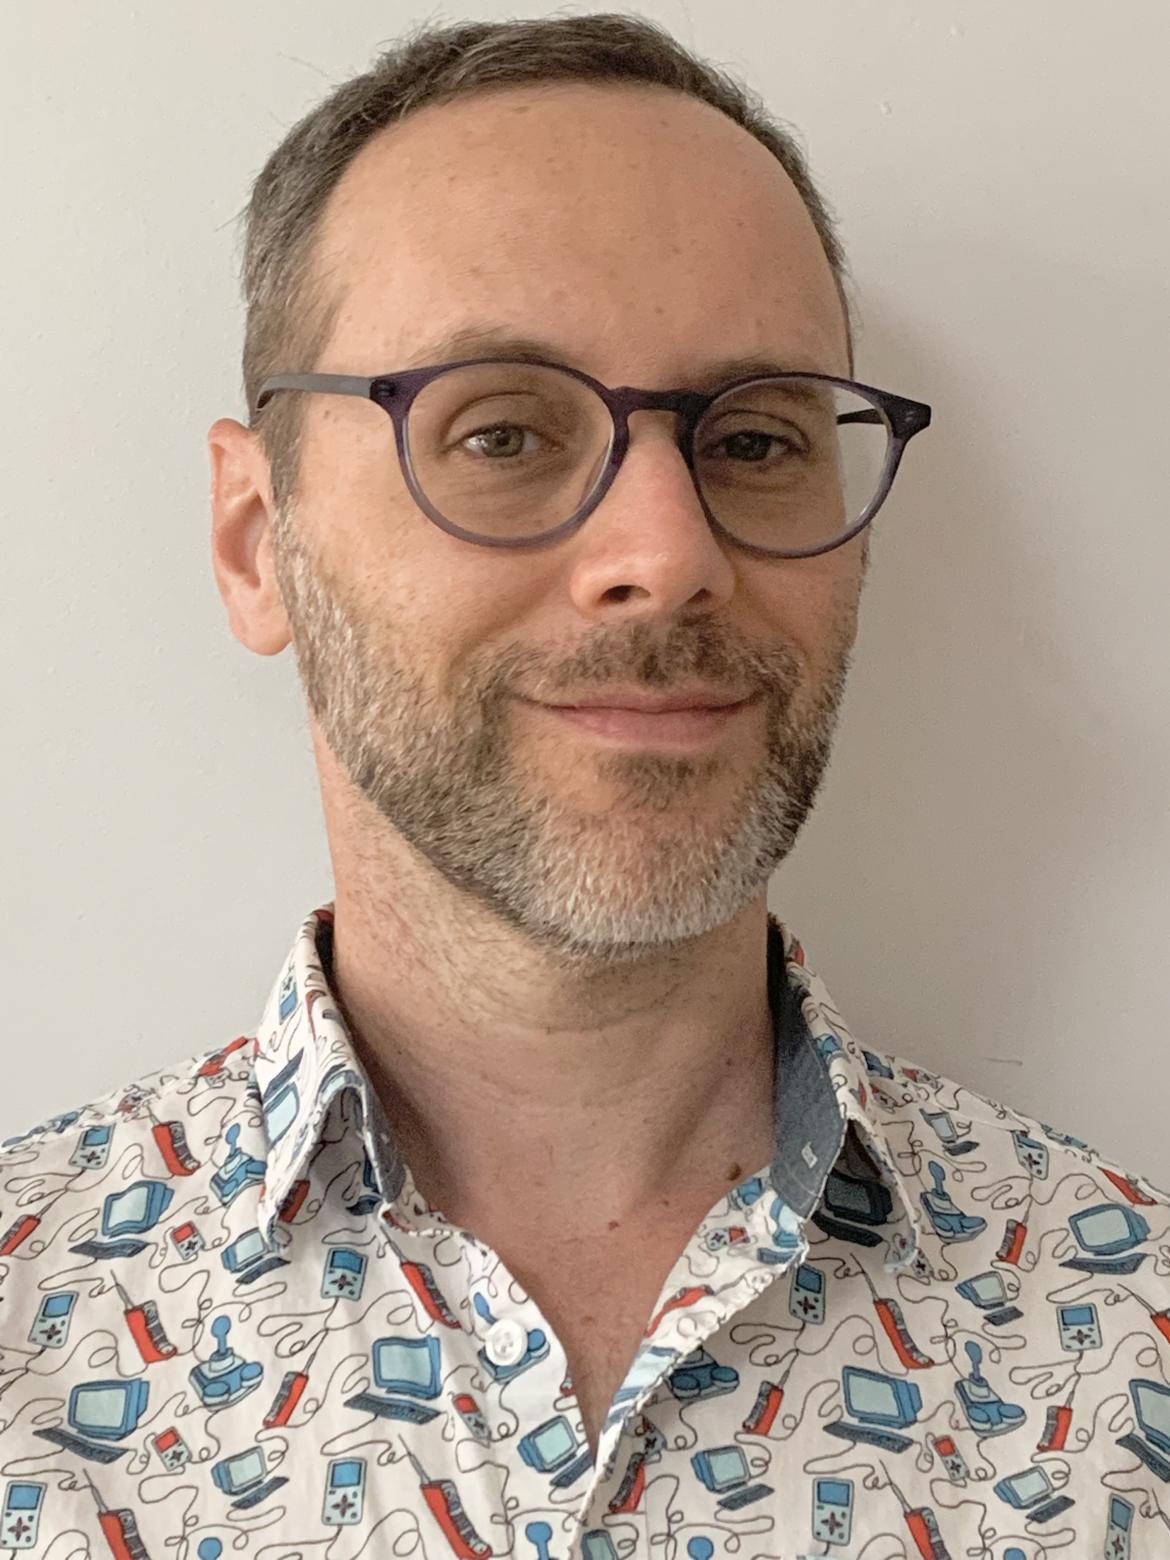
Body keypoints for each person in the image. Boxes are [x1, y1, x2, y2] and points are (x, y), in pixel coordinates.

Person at [2, 13, 1165, 1557]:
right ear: (254, 540)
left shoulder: (1123, 1352)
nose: (668, 555)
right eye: (498, 430)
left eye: (752, 438)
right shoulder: (34, 1336)